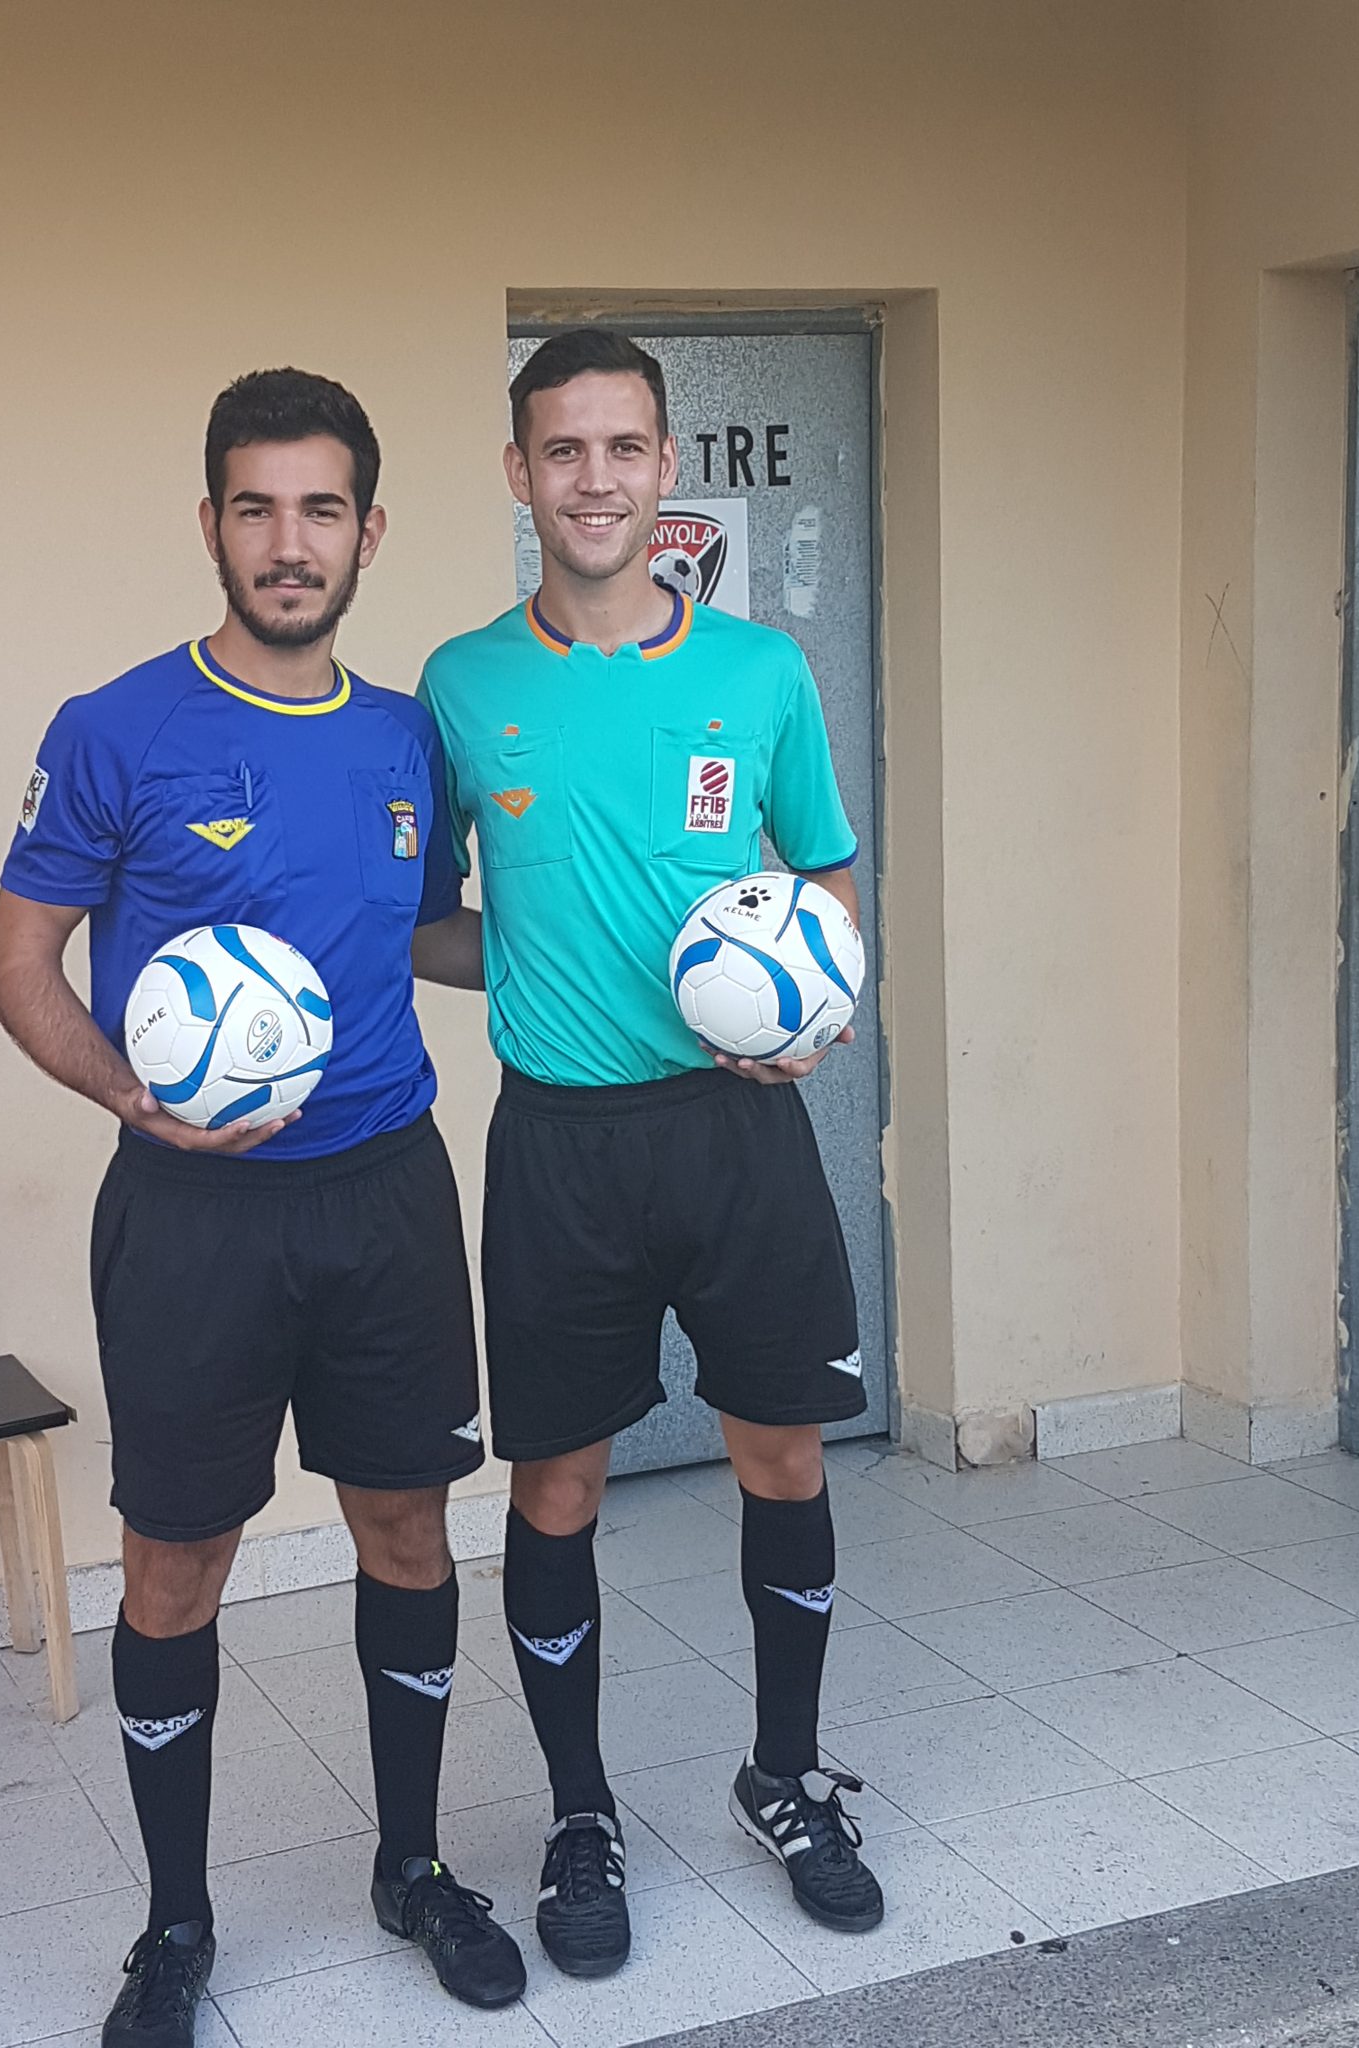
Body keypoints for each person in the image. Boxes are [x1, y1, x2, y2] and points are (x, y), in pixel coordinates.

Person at [0, 369, 525, 2046]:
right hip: (191, 1218)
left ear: (371, 530)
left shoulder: (408, 737)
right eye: (257, 507)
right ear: (212, 524)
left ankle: (414, 1867)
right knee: (178, 1560)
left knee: (408, 1532)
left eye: (321, 509)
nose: (290, 543)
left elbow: (428, 934)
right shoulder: (114, 728)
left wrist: (623, 954)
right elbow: (19, 966)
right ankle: (176, 1925)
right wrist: (129, 1094)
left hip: (385, 1195)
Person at [417, 328, 885, 1983]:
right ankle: (580, 1814)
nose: (595, 479)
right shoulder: (462, 686)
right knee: (558, 1488)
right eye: (563, 450)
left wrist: (814, 1002)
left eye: (624, 447)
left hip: (739, 1133)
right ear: (519, 472)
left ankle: (786, 1777)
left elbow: (823, 874)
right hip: (561, 1145)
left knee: (785, 1457)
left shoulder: (760, 674)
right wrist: (533, 951)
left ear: (666, 464)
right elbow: (430, 921)